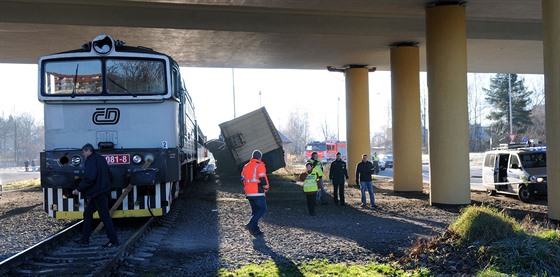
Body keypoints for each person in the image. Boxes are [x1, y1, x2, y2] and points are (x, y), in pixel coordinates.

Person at [72, 143, 119, 247]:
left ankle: (114, 241)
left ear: (88, 151)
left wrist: (78, 189)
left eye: (84, 152)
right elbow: (108, 174)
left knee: (105, 217)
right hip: (100, 192)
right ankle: (85, 240)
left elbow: (90, 177)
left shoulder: (90, 161)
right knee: (87, 214)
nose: (83, 155)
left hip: (98, 193)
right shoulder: (101, 159)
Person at [241, 150, 270, 236]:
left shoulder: (246, 166)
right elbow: (262, 178)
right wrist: (266, 187)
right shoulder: (259, 165)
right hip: (257, 191)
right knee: (262, 208)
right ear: (260, 157)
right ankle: (250, 224)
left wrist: (247, 187)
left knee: (255, 211)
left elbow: (242, 178)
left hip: (248, 192)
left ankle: (255, 230)